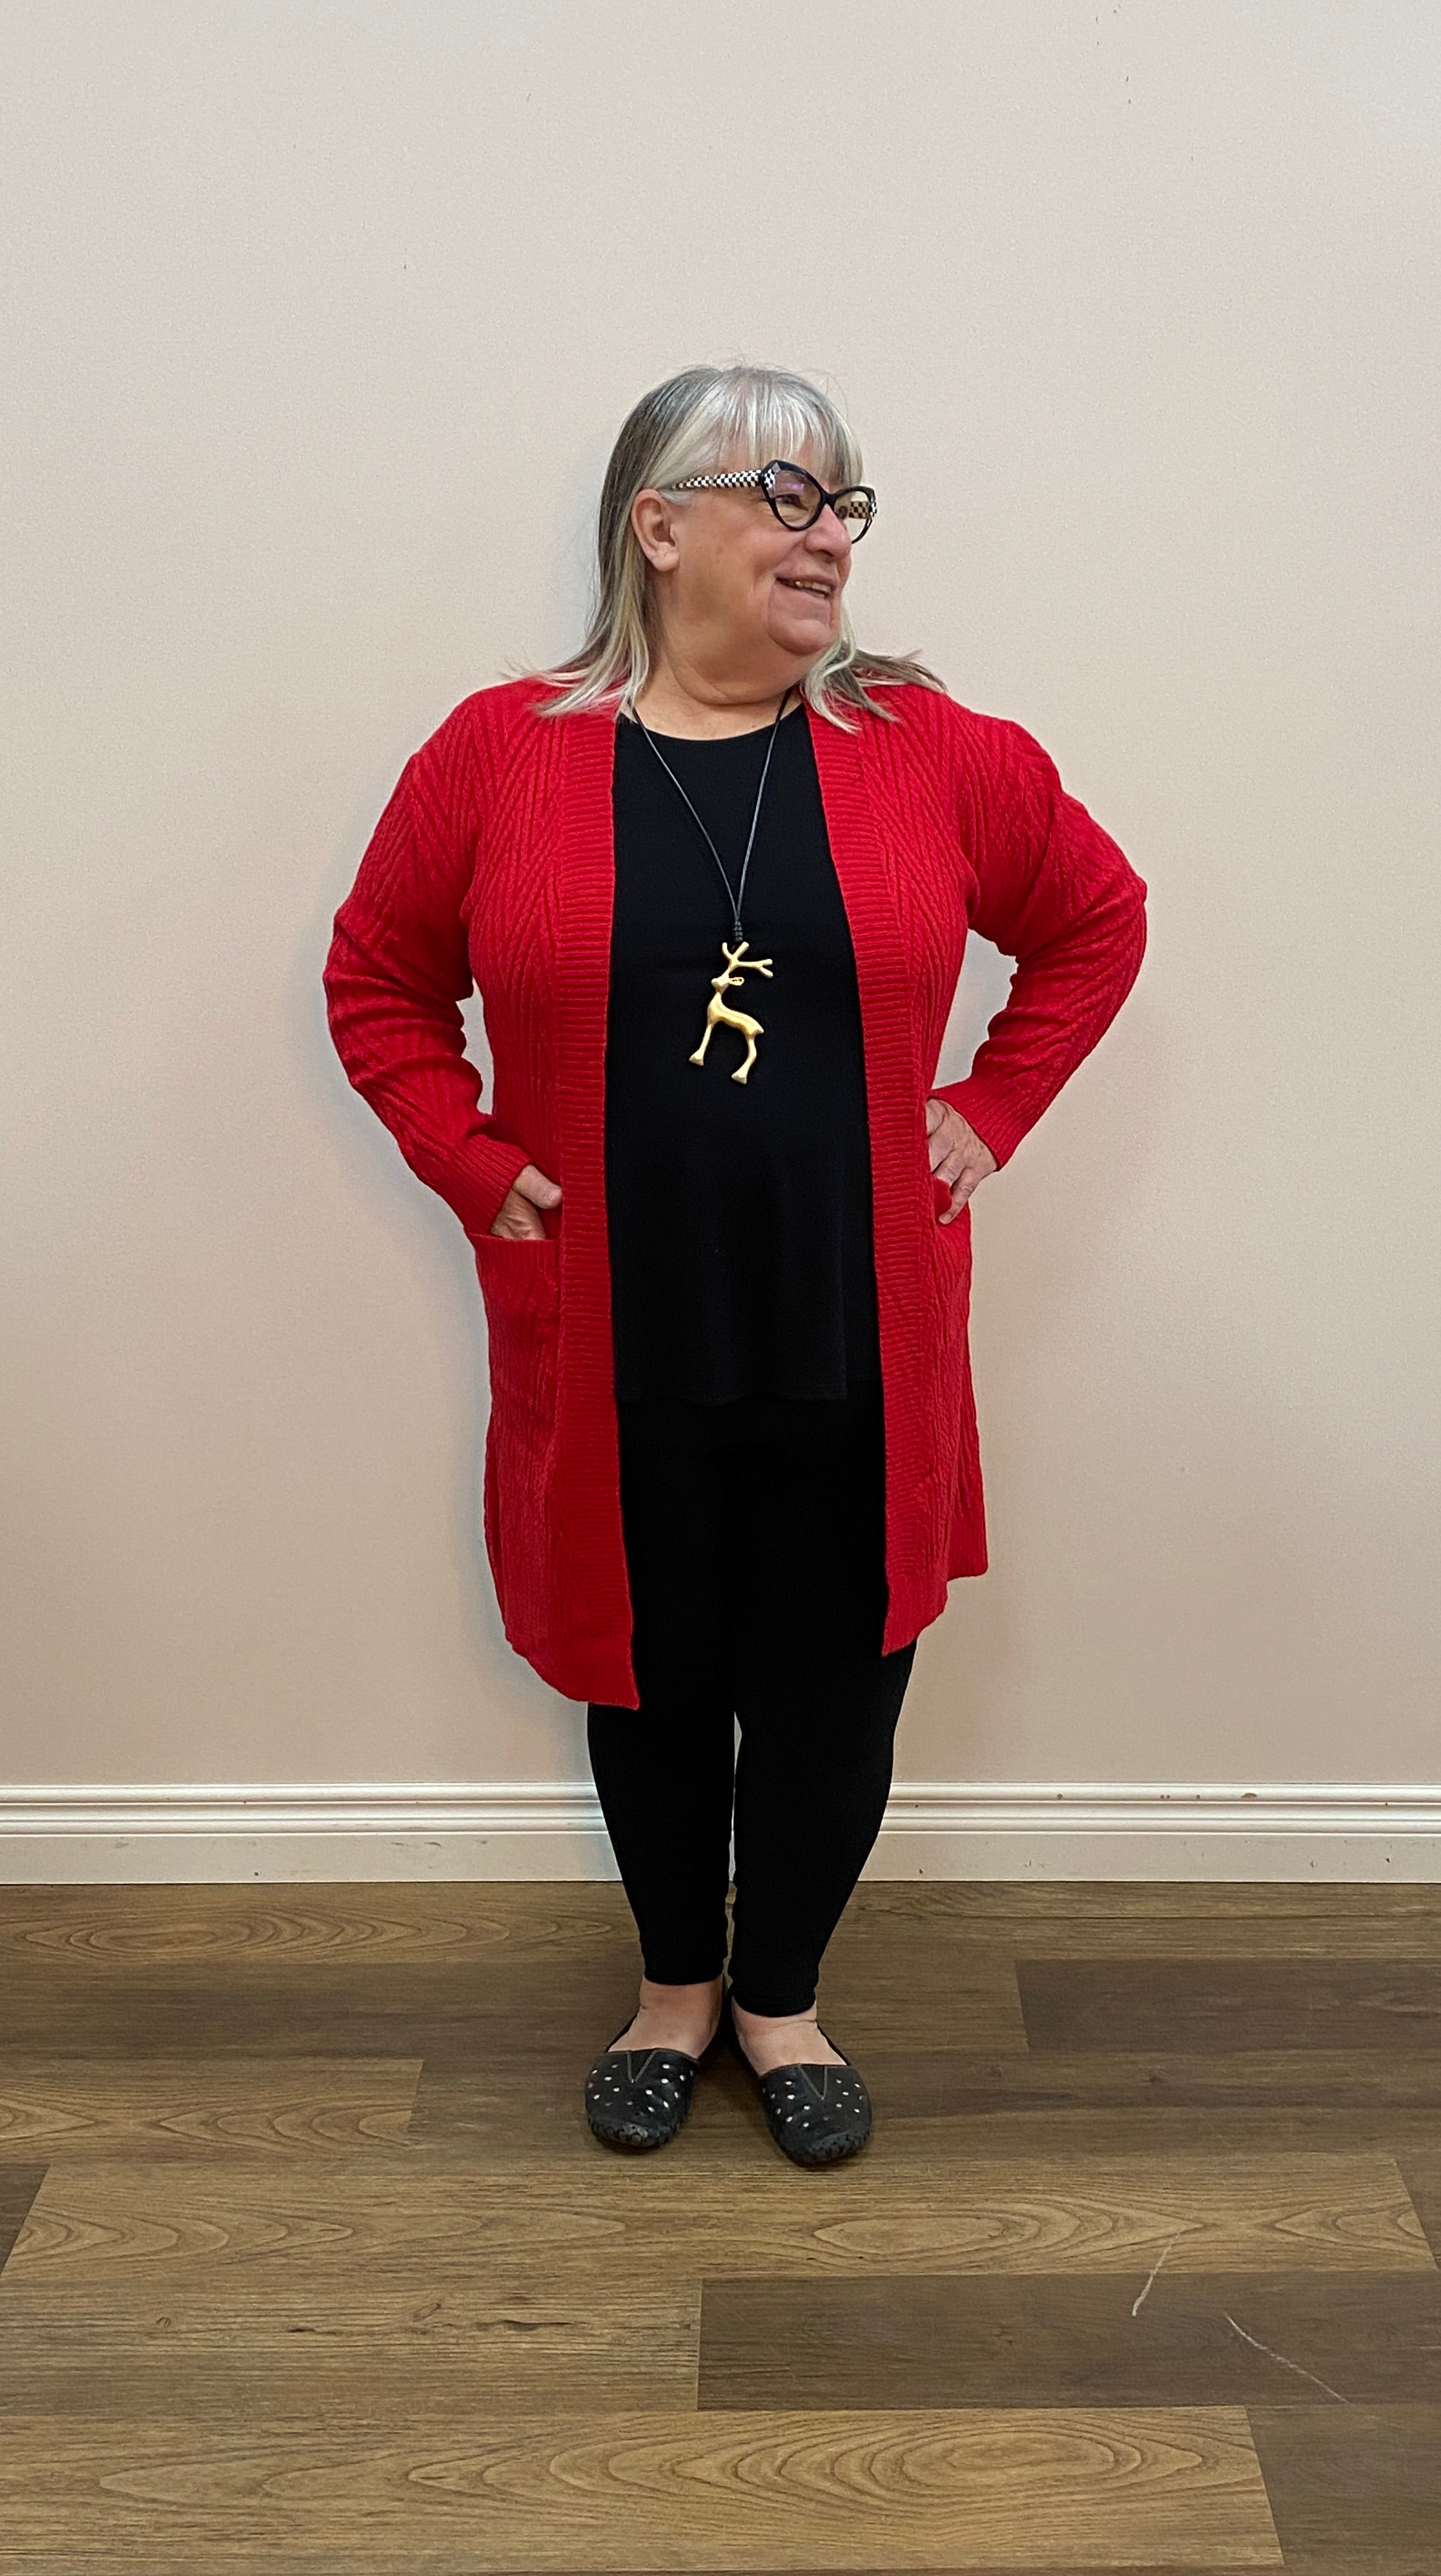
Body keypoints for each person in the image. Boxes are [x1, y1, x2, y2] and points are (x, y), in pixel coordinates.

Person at [324, 363, 1147, 2167]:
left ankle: (782, 1997)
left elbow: (1096, 916)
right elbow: (379, 980)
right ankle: (673, 1986)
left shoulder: (930, 752)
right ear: (661, 521)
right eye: (792, 494)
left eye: (849, 504)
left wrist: (993, 1109)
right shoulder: (500, 753)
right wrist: (468, 1161)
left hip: (863, 1316)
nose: (831, 533)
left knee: (841, 1660)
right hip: (615, 1315)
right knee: (650, 1655)